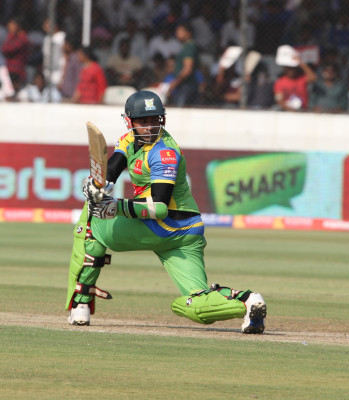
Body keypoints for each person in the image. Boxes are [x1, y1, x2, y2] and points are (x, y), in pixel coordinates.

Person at [66, 90, 267, 334]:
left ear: (162, 120)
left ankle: (80, 303)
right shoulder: (128, 140)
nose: (150, 127)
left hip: (161, 225)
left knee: (92, 218)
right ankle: (247, 301)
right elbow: (113, 168)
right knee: (195, 306)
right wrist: (99, 184)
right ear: (130, 122)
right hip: (187, 233)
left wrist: (112, 206)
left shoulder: (164, 153)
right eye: (144, 121)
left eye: (155, 120)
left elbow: (159, 208)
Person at [167, 22, 199, 106]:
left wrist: (176, 82)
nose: (177, 33)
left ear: (188, 33)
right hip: (183, 85)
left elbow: (188, 68)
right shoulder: (185, 46)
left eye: (180, 31)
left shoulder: (189, 47)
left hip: (186, 85)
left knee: (180, 109)